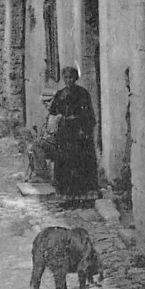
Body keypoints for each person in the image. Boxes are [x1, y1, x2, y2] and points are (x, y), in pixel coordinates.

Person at [48, 66, 99, 197]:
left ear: (75, 78)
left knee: (79, 161)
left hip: (78, 132)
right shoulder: (60, 94)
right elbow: (53, 112)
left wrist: (84, 129)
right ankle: (64, 190)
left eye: (71, 77)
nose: (68, 80)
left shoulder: (83, 93)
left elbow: (89, 115)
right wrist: (57, 120)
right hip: (65, 133)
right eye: (66, 78)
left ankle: (81, 191)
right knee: (64, 161)